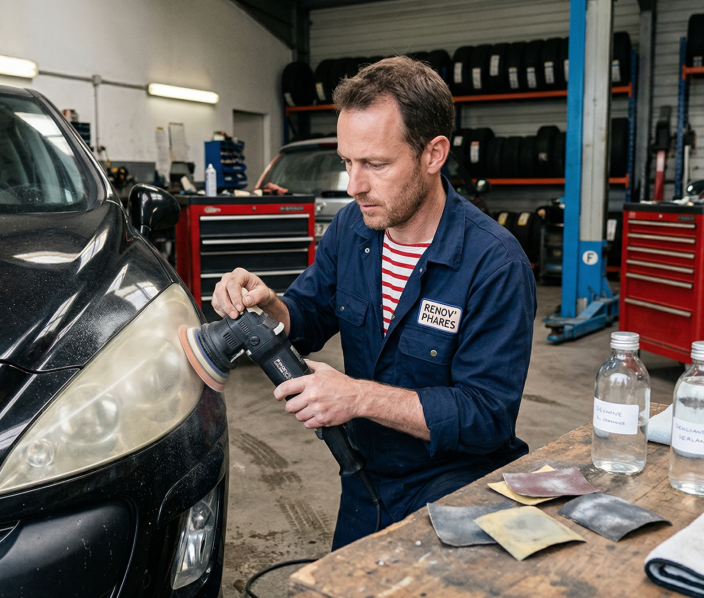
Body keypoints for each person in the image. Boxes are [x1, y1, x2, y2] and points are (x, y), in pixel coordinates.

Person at [210, 56, 537, 549]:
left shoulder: (494, 264)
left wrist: (358, 397)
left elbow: (487, 416)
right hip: (365, 475)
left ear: (433, 154)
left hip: (456, 484)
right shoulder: (353, 229)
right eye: (347, 161)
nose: (354, 185)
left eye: (376, 164)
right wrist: (271, 305)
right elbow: (311, 314)